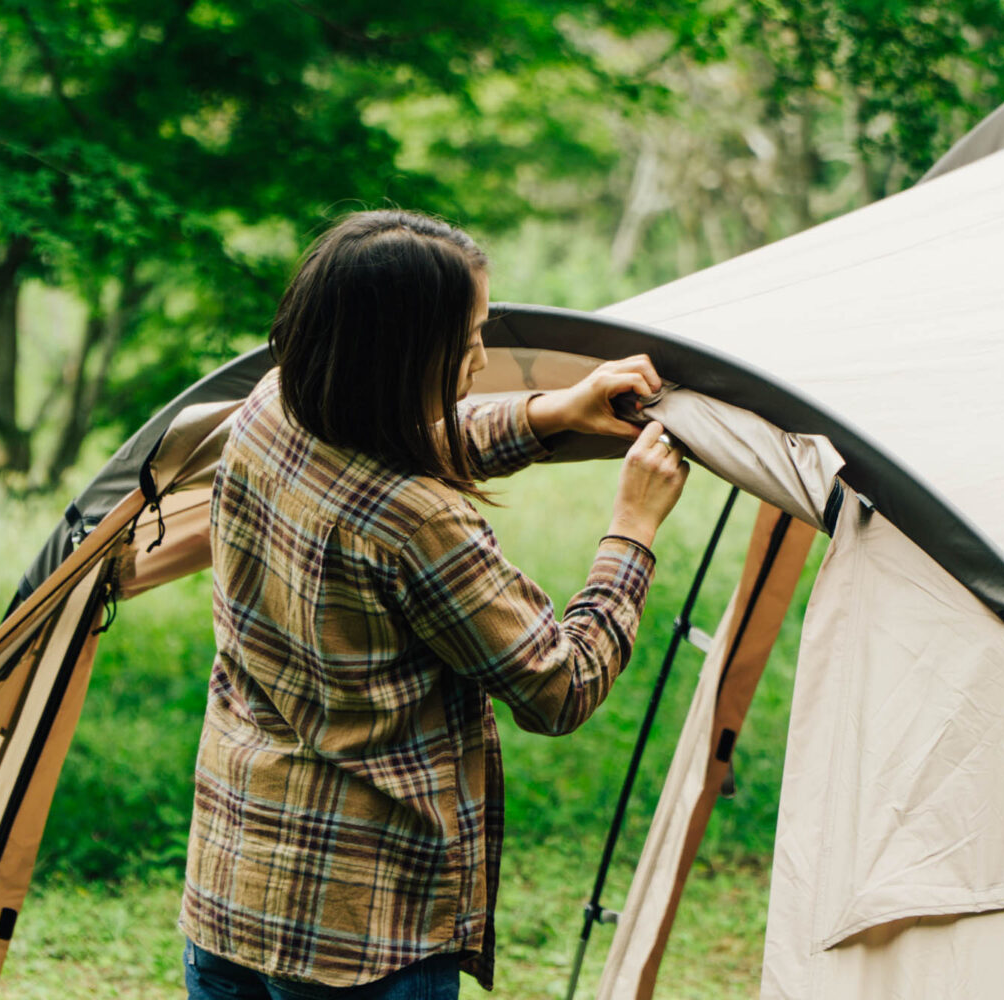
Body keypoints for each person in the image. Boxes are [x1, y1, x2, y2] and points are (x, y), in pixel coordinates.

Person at [179, 210, 689, 999]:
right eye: (468, 338)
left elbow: (393, 442)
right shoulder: (419, 521)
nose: (483, 358)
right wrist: (633, 528)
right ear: (403, 352)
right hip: (362, 933)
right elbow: (559, 687)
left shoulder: (273, 407)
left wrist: (547, 413)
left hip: (233, 887)